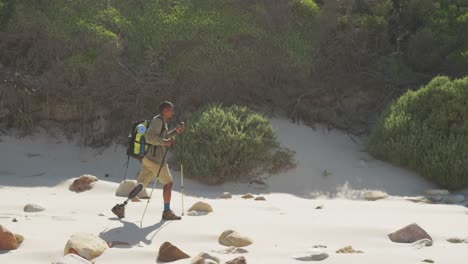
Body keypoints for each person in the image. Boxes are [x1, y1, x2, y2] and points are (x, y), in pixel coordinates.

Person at [136, 101, 185, 220]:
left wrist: (175, 132)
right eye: (171, 110)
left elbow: (163, 137)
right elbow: (149, 137)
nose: (173, 112)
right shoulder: (158, 121)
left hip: (148, 158)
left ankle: (121, 206)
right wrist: (164, 142)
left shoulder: (161, 122)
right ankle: (166, 211)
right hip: (156, 160)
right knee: (168, 183)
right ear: (165, 110)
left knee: (140, 186)